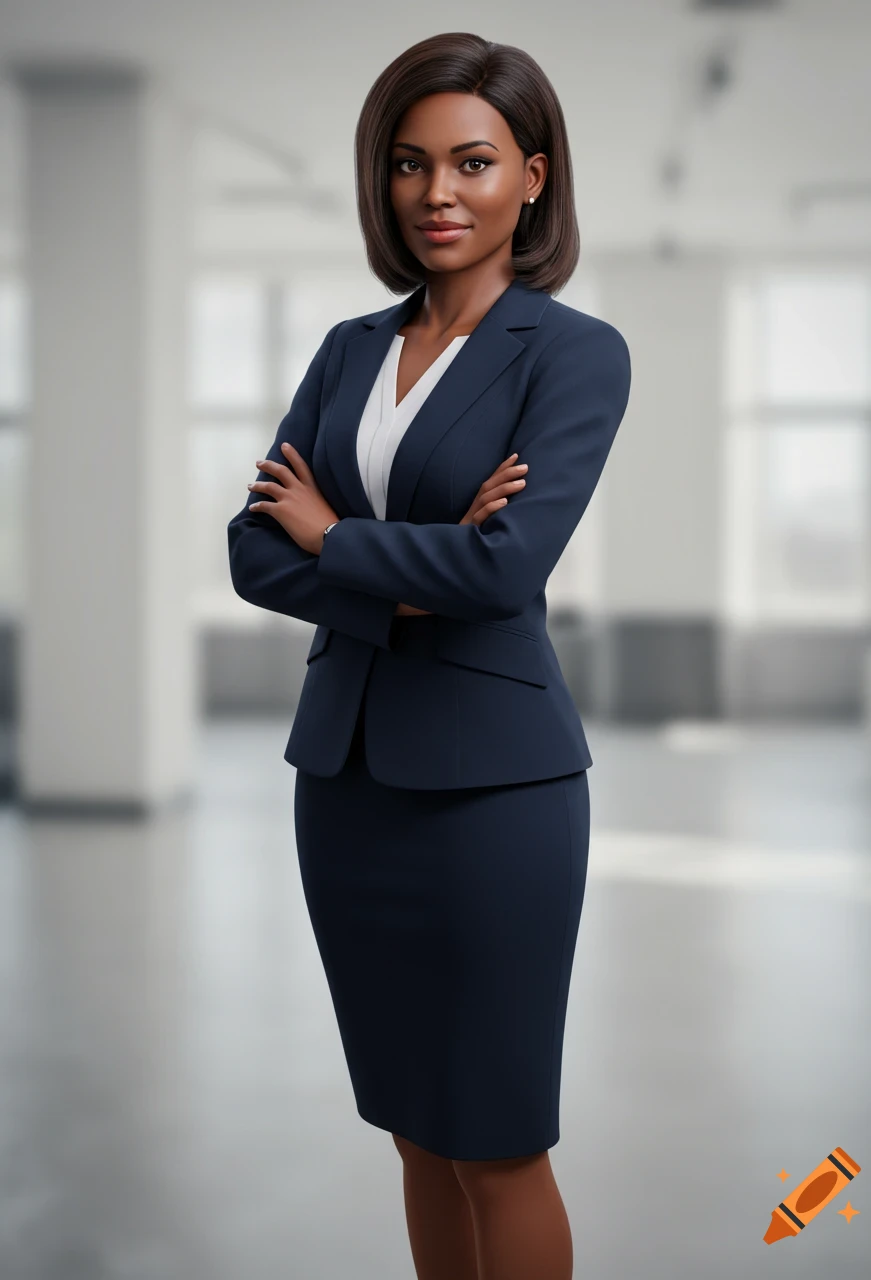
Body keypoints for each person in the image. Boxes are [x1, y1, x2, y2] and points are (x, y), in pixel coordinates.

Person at [227, 31, 631, 1280]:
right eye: (408, 164)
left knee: (496, 1136)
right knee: (412, 1126)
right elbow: (251, 550)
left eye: (470, 161)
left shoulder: (571, 353)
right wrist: (406, 580)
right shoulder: (349, 348)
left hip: (492, 795)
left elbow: (506, 570)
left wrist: (337, 538)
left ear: (534, 176)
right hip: (342, 785)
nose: (436, 193)